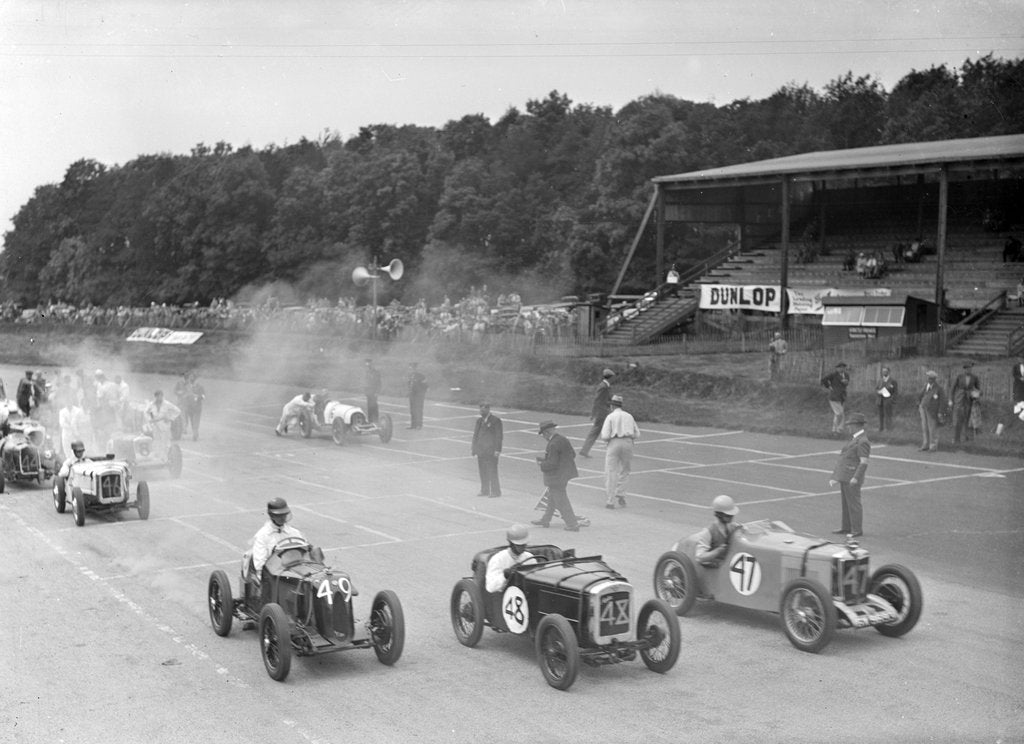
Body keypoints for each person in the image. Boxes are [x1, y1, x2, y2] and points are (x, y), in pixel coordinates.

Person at [532, 420, 582, 531]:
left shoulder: (553, 444)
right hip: (565, 473)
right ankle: (546, 519)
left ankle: (572, 524)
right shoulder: (562, 439)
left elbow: (552, 463)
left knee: (561, 500)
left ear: (546, 432)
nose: (543, 437)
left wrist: (542, 464)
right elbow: (572, 454)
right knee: (552, 498)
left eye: (543, 434)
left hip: (557, 476)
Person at [829, 412, 870, 538]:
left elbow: (863, 462)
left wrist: (856, 477)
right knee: (846, 504)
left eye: (850, 425)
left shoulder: (862, 441)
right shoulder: (854, 439)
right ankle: (846, 527)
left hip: (852, 477)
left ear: (857, 425)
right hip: (846, 476)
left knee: (854, 504)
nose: (848, 427)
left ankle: (856, 530)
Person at [248, 497, 305, 580]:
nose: (282, 518)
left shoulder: (294, 532)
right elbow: (260, 565)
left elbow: (304, 553)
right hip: (271, 575)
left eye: (284, 514)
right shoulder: (262, 536)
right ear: (271, 516)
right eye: (279, 515)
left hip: (293, 572)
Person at [600, 394, 639, 509]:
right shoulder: (629, 416)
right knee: (625, 469)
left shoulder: (610, 417)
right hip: (627, 442)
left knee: (611, 471)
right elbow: (637, 433)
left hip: (614, 442)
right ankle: (621, 493)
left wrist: (609, 439)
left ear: (612, 406)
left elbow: (605, 435)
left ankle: (610, 500)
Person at [484, 524, 536, 593]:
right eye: (519, 545)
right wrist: (505, 576)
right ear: (510, 543)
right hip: (505, 596)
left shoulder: (530, 558)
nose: (523, 547)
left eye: (524, 544)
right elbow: (490, 587)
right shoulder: (498, 559)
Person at [693, 495, 741, 568]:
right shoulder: (708, 532)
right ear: (719, 515)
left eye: (732, 515)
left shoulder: (732, 527)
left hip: (730, 564)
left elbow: (745, 531)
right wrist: (718, 551)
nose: (732, 517)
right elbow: (700, 557)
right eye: (728, 515)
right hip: (716, 567)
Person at [579, 368, 615, 458]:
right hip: (602, 413)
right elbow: (597, 400)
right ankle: (616, 451)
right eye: (613, 377)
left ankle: (585, 450)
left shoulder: (606, 386)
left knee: (599, 432)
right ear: (610, 377)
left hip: (605, 412)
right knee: (602, 431)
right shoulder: (603, 387)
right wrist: (593, 413)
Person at [471, 402, 503, 498]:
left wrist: (497, 449)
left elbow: (499, 436)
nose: (481, 412)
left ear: (488, 409)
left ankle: (496, 491)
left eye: (484, 410)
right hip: (481, 450)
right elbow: (475, 435)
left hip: (491, 451)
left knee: (492, 471)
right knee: (482, 471)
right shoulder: (479, 421)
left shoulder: (495, 420)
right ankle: (485, 490)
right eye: (480, 410)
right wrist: (474, 448)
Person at [949, 361, 981, 446]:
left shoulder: (975, 377)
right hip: (959, 400)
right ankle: (955, 438)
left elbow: (979, 390)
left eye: (970, 368)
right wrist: (950, 400)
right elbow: (952, 388)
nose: (968, 370)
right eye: (967, 368)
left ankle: (966, 438)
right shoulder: (959, 377)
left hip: (969, 401)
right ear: (964, 369)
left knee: (967, 420)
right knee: (957, 419)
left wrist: (976, 396)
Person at [144, 390, 181, 456]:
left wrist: (170, 418)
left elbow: (178, 411)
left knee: (165, 442)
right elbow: (146, 412)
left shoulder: (167, 404)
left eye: (160, 396)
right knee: (156, 441)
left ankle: (166, 456)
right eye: (157, 396)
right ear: (155, 397)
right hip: (155, 425)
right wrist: (150, 419)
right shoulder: (151, 404)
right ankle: (157, 456)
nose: (159, 398)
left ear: (162, 396)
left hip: (165, 425)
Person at [918, 370, 945, 452]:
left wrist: (940, 412)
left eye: (930, 378)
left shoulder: (939, 388)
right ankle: (925, 444)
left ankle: (933, 446)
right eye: (928, 378)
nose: (928, 379)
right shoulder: (926, 385)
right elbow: (920, 395)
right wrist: (919, 403)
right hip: (923, 408)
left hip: (932, 410)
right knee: (924, 427)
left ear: (934, 379)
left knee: (932, 428)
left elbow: (942, 401)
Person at [175, 371, 205, 440]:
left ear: (195, 378)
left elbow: (203, 396)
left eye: (192, 378)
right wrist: (182, 394)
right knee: (184, 419)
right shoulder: (184, 385)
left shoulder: (199, 386)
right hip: (187, 407)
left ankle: (195, 433)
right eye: (189, 378)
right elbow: (177, 392)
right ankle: (183, 429)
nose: (190, 379)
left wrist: (197, 397)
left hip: (196, 407)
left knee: (195, 421)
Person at [821, 362, 850, 435]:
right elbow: (824, 380)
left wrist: (846, 382)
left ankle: (837, 430)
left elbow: (846, 383)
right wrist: (828, 386)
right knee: (839, 413)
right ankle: (836, 430)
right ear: (837, 368)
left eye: (843, 367)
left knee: (839, 414)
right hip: (834, 397)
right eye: (840, 367)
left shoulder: (846, 375)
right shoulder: (833, 375)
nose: (842, 369)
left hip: (842, 396)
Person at [875, 366, 898, 431]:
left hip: (888, 400)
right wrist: (878, 392)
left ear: (889, 372)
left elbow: (895, 392)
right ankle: (881, 428)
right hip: (880, 400)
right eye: (883, 371)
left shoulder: (893, 381)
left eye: (885, 371)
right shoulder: (880, 380)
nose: (884, 372)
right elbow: (876, 388)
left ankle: (889, 429)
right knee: (880, 415)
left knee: (888, 415)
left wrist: (892, 400)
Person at [407, 362, 428, 429]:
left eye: (412, 368)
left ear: (415, 368)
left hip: (419, 395)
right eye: (410, 368)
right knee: (412, 410)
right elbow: (409, 384)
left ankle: (419, 425)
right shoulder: (410, 375)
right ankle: (413, 424)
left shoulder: (421, 376)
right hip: (412, 394)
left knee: (418, 410)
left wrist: (421, 393)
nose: (410, 370)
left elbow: (425, 385)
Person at [364, 358, 382, 423]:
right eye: (367, 365)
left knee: (374, 406)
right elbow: (366, 382)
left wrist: (377, 392)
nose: (368, 366)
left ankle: (376, 420)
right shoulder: (367, 372)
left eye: (369, 364)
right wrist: (365, 391)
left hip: (374, 392)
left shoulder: (376, 372)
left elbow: (378, 383)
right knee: (369, 407)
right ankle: (370, 420)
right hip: (369, 392)